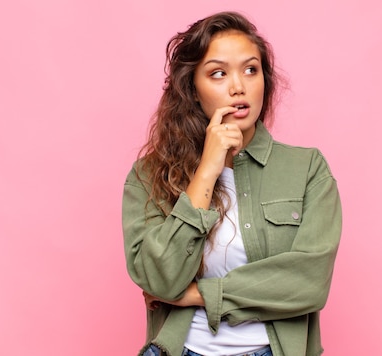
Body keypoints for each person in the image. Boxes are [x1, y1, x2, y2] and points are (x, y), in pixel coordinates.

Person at [122, 11, 342, 356]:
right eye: (218, 73)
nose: (238, 86)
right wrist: (208, 170)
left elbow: (309, 282)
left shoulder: (307, 169)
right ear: (193, 89)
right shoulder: (148, 176)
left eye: (250, 69)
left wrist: (199, 294)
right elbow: (159, 280)